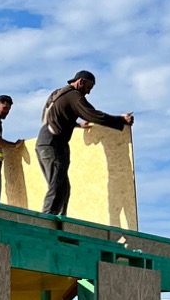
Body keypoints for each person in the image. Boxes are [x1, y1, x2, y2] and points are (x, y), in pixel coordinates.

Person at [35, 71, 133, 218]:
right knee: (57, 185)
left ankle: (59, 221)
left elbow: (53, 116)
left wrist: (77, 125)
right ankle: (46, 221)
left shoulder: (58, 93)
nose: (88, 92)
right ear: (80, 81)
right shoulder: (74, 96)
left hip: (46, 141)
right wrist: (120, 120)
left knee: (63, 187)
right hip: (53, 142)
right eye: (89, 87)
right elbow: (92, 114)